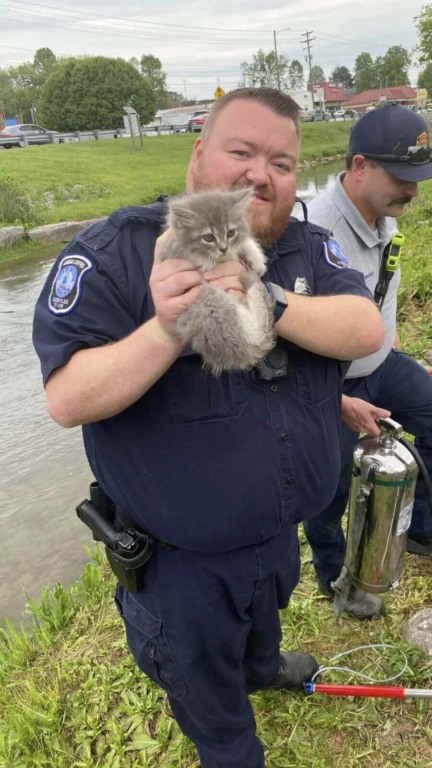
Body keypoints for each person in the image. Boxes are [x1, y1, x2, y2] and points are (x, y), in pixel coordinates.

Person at [32, 88, 384, 768]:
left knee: (262, 624)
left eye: (282, 162)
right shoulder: (115, 255)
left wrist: (265, 298)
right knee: (213, 707)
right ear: (199, 158)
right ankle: (230, 744)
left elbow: (364, 332)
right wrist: (167, 328)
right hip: (181, 567)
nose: (262, 174)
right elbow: (67, 399)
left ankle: (261, 667)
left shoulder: (305, 246)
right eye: (242, 152)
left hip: (276, 537)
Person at [303, 103, 432, 622]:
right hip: (323, 382)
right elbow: (278, 346)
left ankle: (420, 525)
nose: (414, 192)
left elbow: (381, 297)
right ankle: (336, 576)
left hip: (379, 364)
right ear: (359, 166)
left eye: (419, 178)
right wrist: (337, 403)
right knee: (328, 483)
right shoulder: (310, 233)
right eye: (403, 177)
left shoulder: (381, 218)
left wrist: (399, 352)